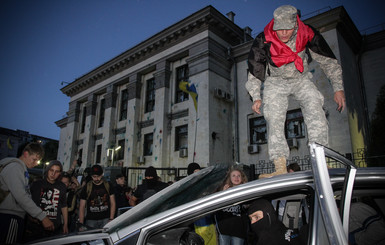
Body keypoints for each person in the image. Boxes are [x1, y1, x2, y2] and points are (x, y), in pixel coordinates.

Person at [246, 5, 346, 178]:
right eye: (280, 29)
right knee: (273, 115)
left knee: (315, 105)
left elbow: (328, 61)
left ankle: (320, 161)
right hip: (275, 82)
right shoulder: (264, 40)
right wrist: (256, 96)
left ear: (296, 24)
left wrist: (338, 88)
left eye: (288, 29)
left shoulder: (307, 33)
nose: (284, 33)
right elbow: (254, 69)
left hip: (300, 78)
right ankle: (280, 165)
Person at [0, 142, 54, 244]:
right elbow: (21, 196)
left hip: (14, 216)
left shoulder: (20, 169)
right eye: (34, 159)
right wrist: (42, 216)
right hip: (9, 217)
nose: (35, 163)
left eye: (38, 161)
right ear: (25, 153)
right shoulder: (14, 167)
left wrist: (30, 214)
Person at [24, 160, 68, 241]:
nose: (53, 174)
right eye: (51, 170)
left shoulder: (61, 186)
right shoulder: (37, 184)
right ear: (47, 170)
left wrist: (65, 223)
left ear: (59, 173)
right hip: (36, 227)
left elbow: (64, 205)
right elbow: (28, 203)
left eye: (56, 171)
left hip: (54, 229)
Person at [215, 167, 249, 245]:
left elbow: (247, 206)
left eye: (238, 176)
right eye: (233, 175)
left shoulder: (245, 191)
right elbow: (217, 206)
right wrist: (223, 193)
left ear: (242, 178)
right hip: (224, 229)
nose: (236, 178)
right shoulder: (225, 190)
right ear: (230, 178)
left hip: (239, 230)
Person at [78, 164, 116, 229]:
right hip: (91, 219)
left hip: (105, 219)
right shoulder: (87, 187)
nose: (96, 179)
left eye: (98, 176)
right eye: (94, 176)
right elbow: (82, 206)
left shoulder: (108, 185)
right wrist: (81, 224)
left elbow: (113, 202)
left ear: (102, 175)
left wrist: (111, 218)